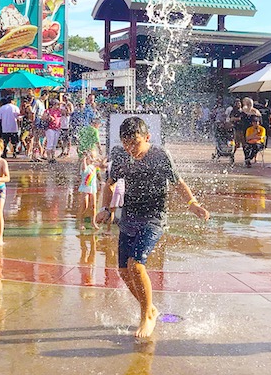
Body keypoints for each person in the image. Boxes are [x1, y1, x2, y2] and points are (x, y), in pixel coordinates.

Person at [100, 117, 209, 339]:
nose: (131, 149)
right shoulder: (120, 155)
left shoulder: (160, 155)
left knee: (136, 264)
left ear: (147, 138)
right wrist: (105, 208)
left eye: (136, 143)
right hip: (129, 217)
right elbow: (109, 184)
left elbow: (178, 183)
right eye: (126, 143)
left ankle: (146, 317)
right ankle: (150, 308)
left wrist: (193, 204)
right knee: (123, 272)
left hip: (154, 218)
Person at [78, 151, 100, 229]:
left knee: (93, 206)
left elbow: (98, 174)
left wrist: (101, 182)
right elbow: (84, 169)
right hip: (85, 188)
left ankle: (93, 222)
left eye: (93, 157)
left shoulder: (94, 166)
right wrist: (84, 159)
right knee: (85, 206)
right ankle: (81, 222)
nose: (92, 159)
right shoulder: (84, 165)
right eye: (90, 158)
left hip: (93, 187)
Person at [43, 98, 62, 163]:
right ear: (54, 105)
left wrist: (66, 104)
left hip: (57, 129)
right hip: (50, 129)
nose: (59, 106)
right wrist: (49, 117)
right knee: (50, 143)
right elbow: (43, 118)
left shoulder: (59, 111)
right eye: (57, 104)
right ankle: (49, 158)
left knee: (54, 144)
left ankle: (53, 157)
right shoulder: (48, 111)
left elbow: (68, 112)